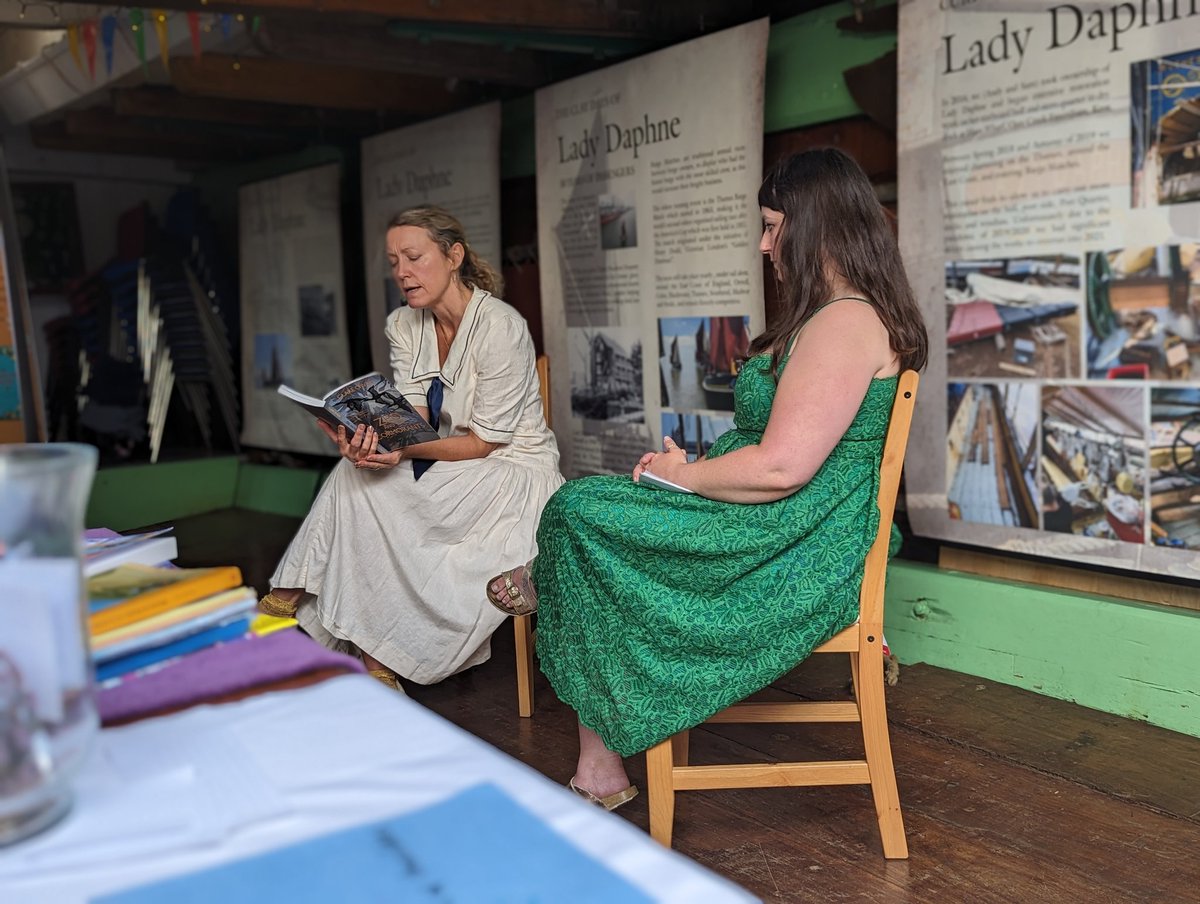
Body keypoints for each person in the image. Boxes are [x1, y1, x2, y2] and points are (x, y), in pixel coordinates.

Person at [485, 148, 928, 810]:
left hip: (793, 537)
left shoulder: (844, 323)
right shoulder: (835, 314)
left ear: (818, 225)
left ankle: (559, 620)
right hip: (786, 517)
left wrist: (686, 476)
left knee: (579, 511)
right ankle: (598, 759)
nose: (763, 242)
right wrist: (685, 473)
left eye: (774, 226)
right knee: (601, 504)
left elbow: (781, 468)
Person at [260, 205, 563, 690]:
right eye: (393, 260)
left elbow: (484, 442)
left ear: (453, 256)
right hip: (455, 460)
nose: (401, 271)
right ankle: (368, 650)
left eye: (413, 257)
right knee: (358, 472)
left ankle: (285, 602)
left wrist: (400, 454)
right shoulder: (405, 324)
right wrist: (366, 439)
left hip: (513, 472)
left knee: (369, 486)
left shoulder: (501, 326)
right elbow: (416, 420)